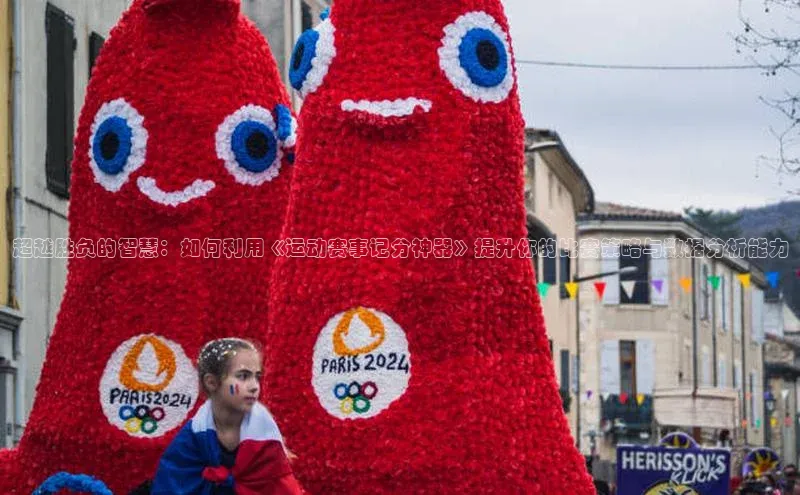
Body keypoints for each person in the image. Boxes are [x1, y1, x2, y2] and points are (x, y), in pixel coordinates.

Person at [150, 338, 304, 494]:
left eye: (257, 376)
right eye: (243, 376)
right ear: (211, 382)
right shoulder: (189, 443)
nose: (254, 386)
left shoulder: (268, 442)